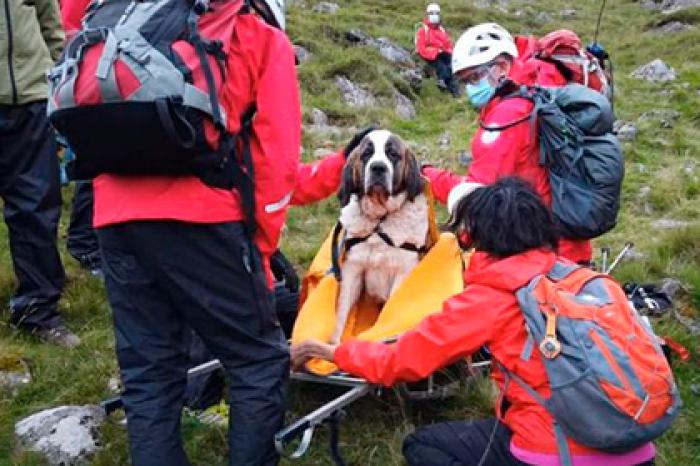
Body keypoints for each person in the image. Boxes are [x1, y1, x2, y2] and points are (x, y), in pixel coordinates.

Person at [291, 177, 657, 466]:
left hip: (554, 452)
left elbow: (398, 361)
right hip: (637, 444)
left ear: (480, 236)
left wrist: (335, 352)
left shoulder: (492, 296)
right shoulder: (588, 281)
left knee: (422, 447)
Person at [422, 23, 592, 265]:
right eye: (464, 81)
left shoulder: (509, 113)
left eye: (475, 77)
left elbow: (479, 194)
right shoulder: (538, 92)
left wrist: (426, 177)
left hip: (539, 251)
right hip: (567, 243)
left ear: (502, 66)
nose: (471, 87)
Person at [0, 0, 80, 347]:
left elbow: (48, 16)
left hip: (30, 98)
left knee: (36, 204)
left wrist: (52, 71)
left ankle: (38, 309)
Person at [415, 3, 459, 96]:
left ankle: (454, 91)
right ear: (427, 15)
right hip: (430, 56)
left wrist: (446, 52)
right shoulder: (423, 30)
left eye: (436, 13)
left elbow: (448, 46)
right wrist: (435, 52)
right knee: (442, 67)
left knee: (451, 66)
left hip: (442, 54)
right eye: (431, 13)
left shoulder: (442, 30)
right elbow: (421, 48)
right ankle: (443, 82)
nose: (434, 15)